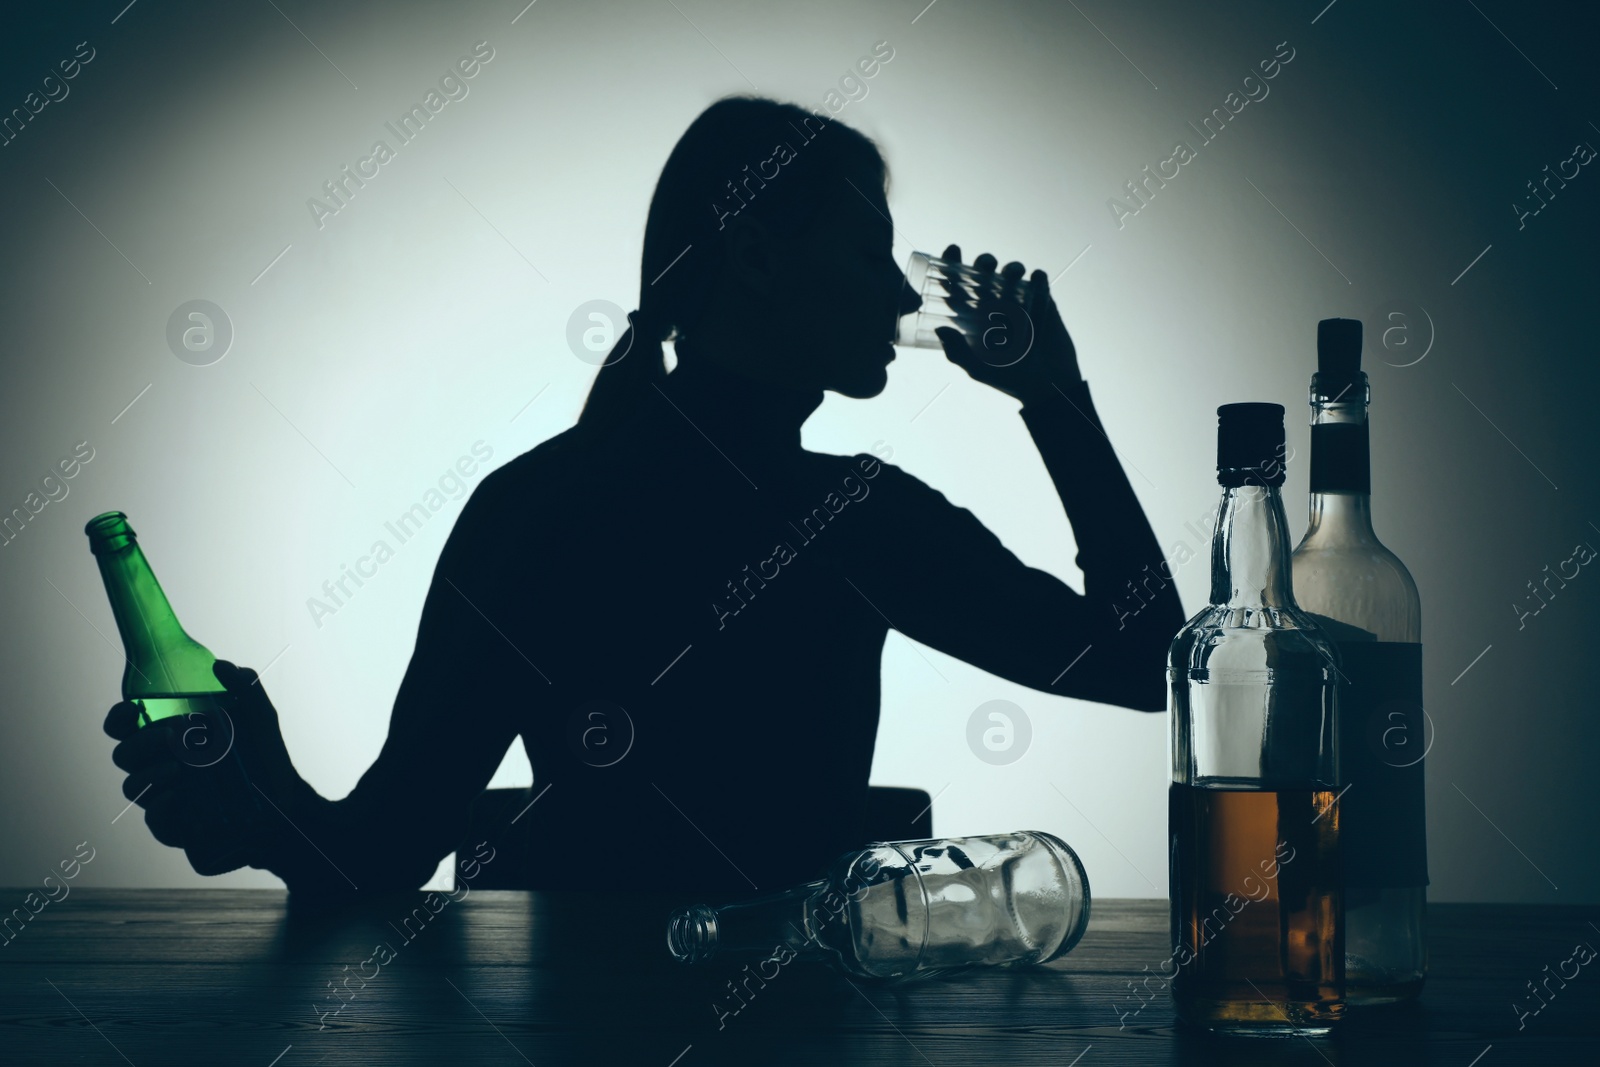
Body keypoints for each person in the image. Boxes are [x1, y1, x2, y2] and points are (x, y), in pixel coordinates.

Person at [105, 95, 1184, 901]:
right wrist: (1055, 396)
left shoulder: (534, 504)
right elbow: (1147, 665)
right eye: (866, 250)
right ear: (757, 257)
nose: (904, 291)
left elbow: (377, 856)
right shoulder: (849, 518)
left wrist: (267, 802)